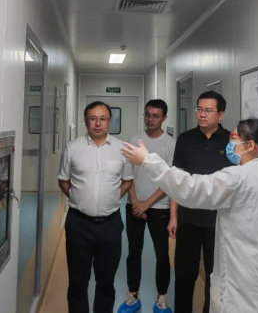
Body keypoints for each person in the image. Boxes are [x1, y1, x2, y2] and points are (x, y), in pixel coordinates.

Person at [122, 118, 258, 313]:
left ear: (250, 145)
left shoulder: (238, 178)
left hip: (243, 287)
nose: (229, 143)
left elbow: (191, 189)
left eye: (234, 138)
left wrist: (148, 161)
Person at [58, 101, 134, 313]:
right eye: (93, 119)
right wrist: (80, 198)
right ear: (86, 121)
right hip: (78, 224)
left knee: (106, 282)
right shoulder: (72, 149)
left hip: (110, 224)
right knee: (77, 282)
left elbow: (127, 180)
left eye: (103, 119)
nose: (98, 123)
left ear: (110, 121)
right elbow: (63, 181)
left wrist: (112, 197)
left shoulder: (122, 149)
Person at [169, 91, 231, 313]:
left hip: (220, 221)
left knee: (216, 276)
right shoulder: (185, 139)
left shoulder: (232, 141)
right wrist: (173, 216)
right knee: (184, 274)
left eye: (208, 110)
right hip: (188, 217)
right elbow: (177, 180)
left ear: (220, 114)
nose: (201, 114)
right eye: (199, 109)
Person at [118, 100, 176, 313]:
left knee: (162, 255)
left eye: (155, 116)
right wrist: (135, 202)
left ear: (164, 118)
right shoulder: (135, 139)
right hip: (134, 205)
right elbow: (128, 174)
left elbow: (169, 180)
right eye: (147, 115)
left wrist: (147, 204)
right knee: (134, 253)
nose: (150, 119)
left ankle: (161, 297)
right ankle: (133, 295)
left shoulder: (170, 144)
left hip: (159, 207)